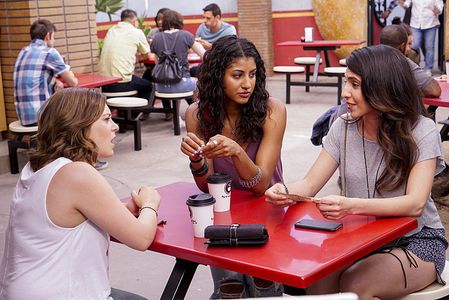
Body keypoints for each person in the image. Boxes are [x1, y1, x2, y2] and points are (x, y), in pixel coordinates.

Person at [266, 45, 447, 299]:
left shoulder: (421, 130)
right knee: (317, 284)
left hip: (417, 239)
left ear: (382, 87)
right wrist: (284, 191)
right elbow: (309, 184)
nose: (345, 93)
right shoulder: (343, 126)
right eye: (345, 82)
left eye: (354, 84)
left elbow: (415, 204)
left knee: (356, 285)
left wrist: (350, 206)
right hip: (360, 238)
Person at [0, 88, 160, 299]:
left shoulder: (39, 168)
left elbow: (67, 218)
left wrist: (125, 209)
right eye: (106, 119)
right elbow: (141, 238)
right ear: (79, 127)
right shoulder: (77, 173)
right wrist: (150, 203)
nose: (115, 127)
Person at [180, 35, 286, 298]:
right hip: (224, 211)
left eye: (252, 75)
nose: (247, 84)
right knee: (230, 288)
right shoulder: (197, 114)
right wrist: (196, 159)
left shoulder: (272, 110)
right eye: (237, 75)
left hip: (267, 209)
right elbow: (208, 186)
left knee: (265, 286)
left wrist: (237, 152)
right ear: (218, 76)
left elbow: (261, 184)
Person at [14, 19, 78, 126]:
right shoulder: (49, 52)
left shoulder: (23, 51)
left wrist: (55, 80)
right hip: (41, 116)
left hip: (23, 117)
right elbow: (73, 82)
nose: (54, 41)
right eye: (54, 37)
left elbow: (36, 76)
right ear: (48, 36)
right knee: (74, 115)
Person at [99, 9, 152, 101]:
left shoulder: (112, 30)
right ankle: (138, 113)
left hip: (104, 83)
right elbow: (147, 55)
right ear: (135, 20)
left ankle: (127, 112)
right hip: (121, 83)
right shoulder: (136, 32)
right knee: (148, 86)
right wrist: (138, 58)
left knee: (137, 81)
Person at [150, 9, 205, 94]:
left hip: (161, 86)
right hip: (183, 83)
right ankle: (195, 106)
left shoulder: (156, 38)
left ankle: (177, 108)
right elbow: (204, 55)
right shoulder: (186, 35)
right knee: (198, 83)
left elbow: (156, 62)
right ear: (179, 21)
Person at [380, 24, 441, 98]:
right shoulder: (404, 62)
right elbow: (435, 90)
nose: (410, 47)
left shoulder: (369, 58)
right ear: (402, 46)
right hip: (397, 108)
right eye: (408, 44)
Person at [400, 0, 444, 75]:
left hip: (430, 23)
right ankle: (415, 65)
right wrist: (402, 4)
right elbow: (407, 4)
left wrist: (437, 10)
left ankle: (428, 68)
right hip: (415, 23)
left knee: (429, 46)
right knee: (415, 45)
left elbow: (440, 9)